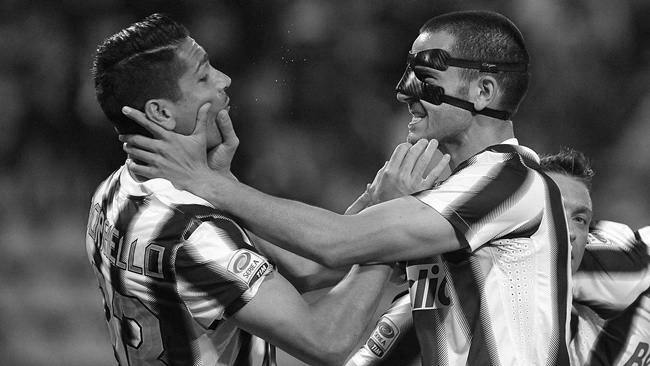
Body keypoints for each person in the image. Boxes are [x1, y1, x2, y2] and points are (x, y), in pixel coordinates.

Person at [122, 10, 572, 365]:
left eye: (427, 79)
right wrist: (226, 184)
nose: (404, 93)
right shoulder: (437, 182)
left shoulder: (508, 180)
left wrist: (207, 184)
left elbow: (336, 244)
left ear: (484, 90)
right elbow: (310, 268)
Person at [85, 13, 397, 366]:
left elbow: (302, 269)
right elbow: (326, 340)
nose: (224, 79)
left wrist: (222, 186)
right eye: (203, 76)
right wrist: (389, 241)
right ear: (161, 113)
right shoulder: (189, 231)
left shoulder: (111, 192)